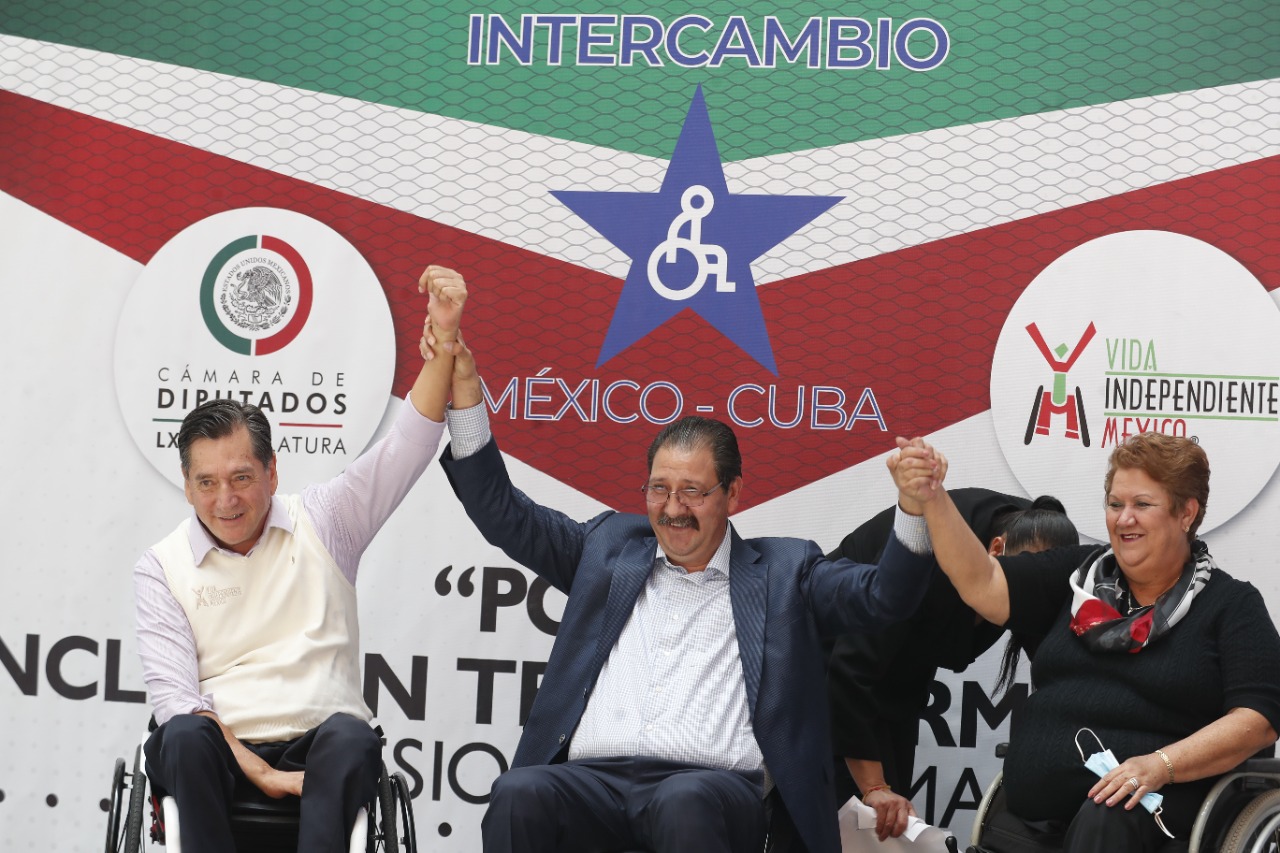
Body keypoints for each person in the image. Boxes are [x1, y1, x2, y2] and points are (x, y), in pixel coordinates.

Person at [432, 317, 939, 853]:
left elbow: (886, 598)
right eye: (659, 489)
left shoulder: (786, 571)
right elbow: (505, 515)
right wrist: (465, 391)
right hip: (594, 783)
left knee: (683, 798)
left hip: (716, 790)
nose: (672, 509)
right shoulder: (607, 548)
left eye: (692, 492)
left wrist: (913, 509)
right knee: (520, 791)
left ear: (732, 493)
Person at [133, 267, 467, 853]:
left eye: (241, 477)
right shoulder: (161, 567)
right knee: (181, 734)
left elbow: (408, 446)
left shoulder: (326, 521)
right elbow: (179, 701)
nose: (225, 499)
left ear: (272, 473)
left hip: (321, 744)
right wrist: (260, 771)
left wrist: (443, 338)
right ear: (186, 486)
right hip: (218, 751)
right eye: (206, 482)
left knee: (352, 738)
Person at [891, 432, 1280, 850]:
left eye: (1142, 504)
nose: (1124, 519)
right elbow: (982, 582)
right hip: (1034, 815)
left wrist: (1159, 766)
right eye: (1115, 504)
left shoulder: (1230, 605)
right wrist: (933, 500)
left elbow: (1259, 719)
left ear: (1186, 512)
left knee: (1111, 812)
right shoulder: (1076, 579)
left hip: (1145, 812)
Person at [826, 492, 1079, 840]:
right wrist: (873, 787)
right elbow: (849, 668)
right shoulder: (926, 550)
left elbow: (1062, 671)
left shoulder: (1041, 556)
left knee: (890, 822)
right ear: (995, 550)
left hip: (897, 683)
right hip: (827, 660)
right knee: (849, 815)